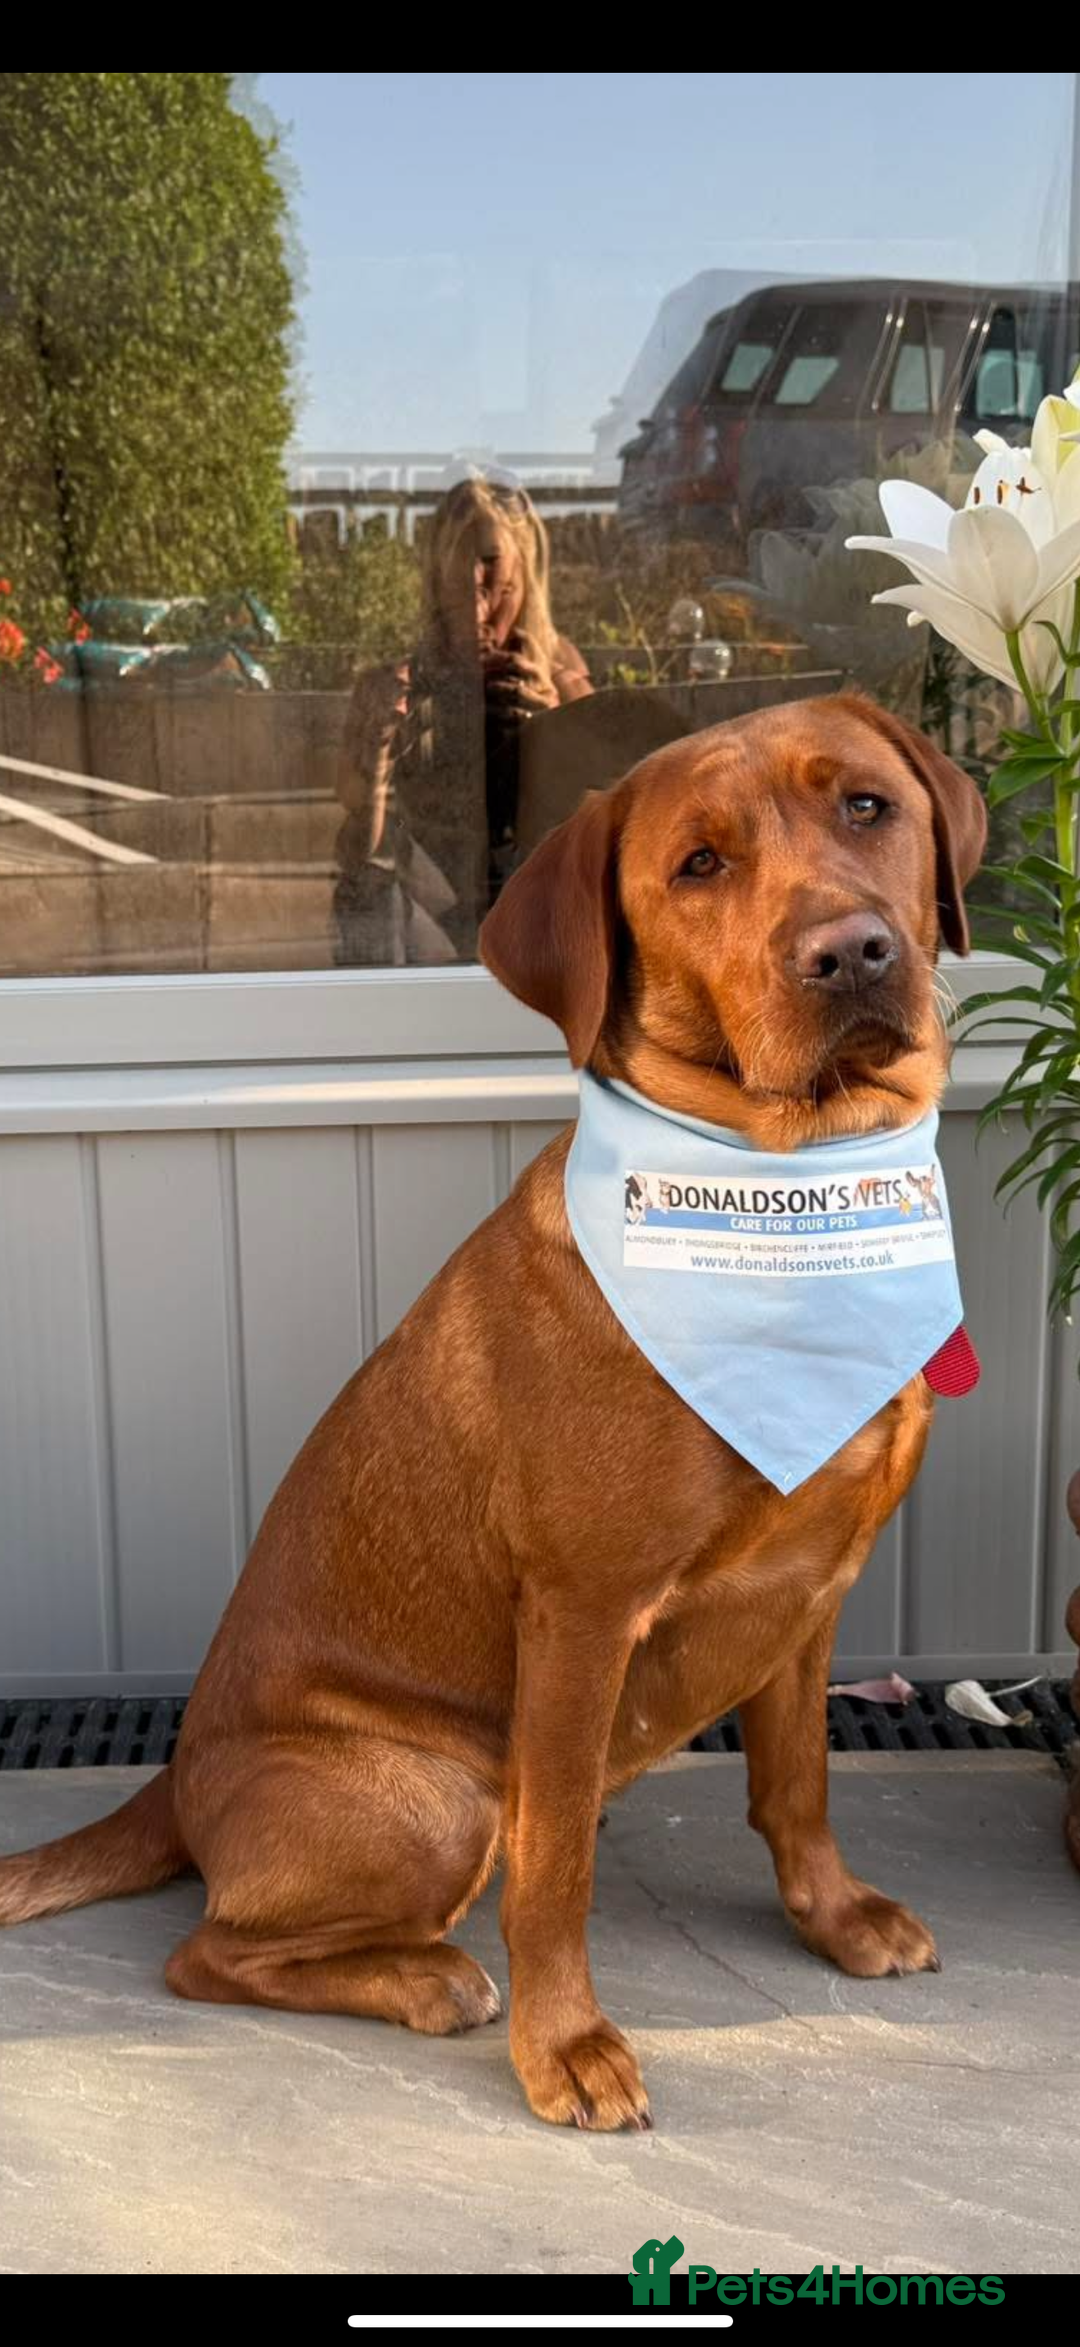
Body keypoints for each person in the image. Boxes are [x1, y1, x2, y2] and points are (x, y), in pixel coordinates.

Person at [334, 476, 592, 965]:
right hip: (428, 906)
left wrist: (554, 728)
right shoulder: (393, 685)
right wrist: (380, 754)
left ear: (523, 568)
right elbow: (358, 852)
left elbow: (605, 837)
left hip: (535, 907)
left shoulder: (560, 678)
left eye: (491, 563)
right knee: (369, 893)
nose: (476, 586)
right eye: (457, 565)